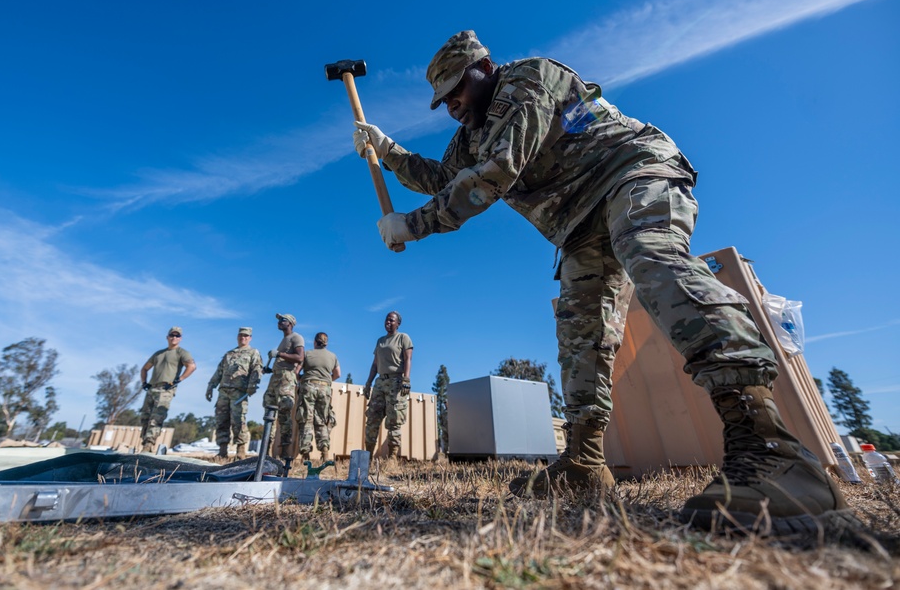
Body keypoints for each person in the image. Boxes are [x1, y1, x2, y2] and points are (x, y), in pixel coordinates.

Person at [351, 30, 855, 534]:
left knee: (652, 257)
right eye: (444, 102)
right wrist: (387, 149)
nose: (452, 108)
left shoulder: (529, 80)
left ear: (482, 69)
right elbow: (444, 177)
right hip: (579, 223)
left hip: (633, 175)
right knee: (581, 331)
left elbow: (494, 174)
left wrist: (414, 226)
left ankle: (773, 449)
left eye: (455, 92)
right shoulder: (473, 134)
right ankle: (585, 465)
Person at [206, 326, 263, 459]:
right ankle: (222, 451)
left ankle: (240, 451)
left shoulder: (253, 352)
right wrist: (210, 386)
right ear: (238, 337)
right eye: (241, 335)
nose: (243, 338)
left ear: (250, 338)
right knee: (221, 421)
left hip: (239, 392)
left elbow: (256, 369)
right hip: (224, 392)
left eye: (246, 336)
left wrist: (252, 385)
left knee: (238, 421)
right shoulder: (229, 354)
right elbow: (219, 371)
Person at [362, 311, 412, 459]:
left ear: (398, 323)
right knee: (372, 419)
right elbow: (375, 364)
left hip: (396, 382)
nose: (388, 322)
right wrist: (368, 383)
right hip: (380, 383)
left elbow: (408, 359)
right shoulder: (380, 341)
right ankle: (368, 457)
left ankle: (392, 458)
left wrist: (406, 379)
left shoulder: (403, 338)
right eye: (387, 320)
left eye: (391, 320)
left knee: (394, 421)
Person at [138, 326, 196, 453]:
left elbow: (191, 366)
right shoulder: (159, 353)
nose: (174, 338)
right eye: (172, 335)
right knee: (145, 417)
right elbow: (144, 368)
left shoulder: (182, 353)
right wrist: (144, 383)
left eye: (177, 336)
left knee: (156, 417)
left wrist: (178, 380)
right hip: (152, 388)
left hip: (166, 389)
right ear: (167, 337)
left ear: (180, 339)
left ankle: (148, 445)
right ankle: (145, 444)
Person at [263, 313, 304, 463]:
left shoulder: (296, 337)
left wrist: (279, 354)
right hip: (276, 378)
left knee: (284, 414)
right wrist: (270, 369)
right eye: (279, 320)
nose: (279, 322)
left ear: (291, 323)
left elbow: (300, 357)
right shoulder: (284, 340)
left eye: (282, 320)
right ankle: (265, 452)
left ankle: (286, 454)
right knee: (269, 414)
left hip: (286, 379)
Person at [296, 332, 341, 462]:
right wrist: (327, 381)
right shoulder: (333, 356)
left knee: (306, 419)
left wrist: (301, 380)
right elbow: (338, 373)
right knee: (322, 420)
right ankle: (325, 453)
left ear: (315, 342)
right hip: (325, 389)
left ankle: (305, 456)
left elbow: (296, 371)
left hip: (308, 387)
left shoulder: (308, 354)